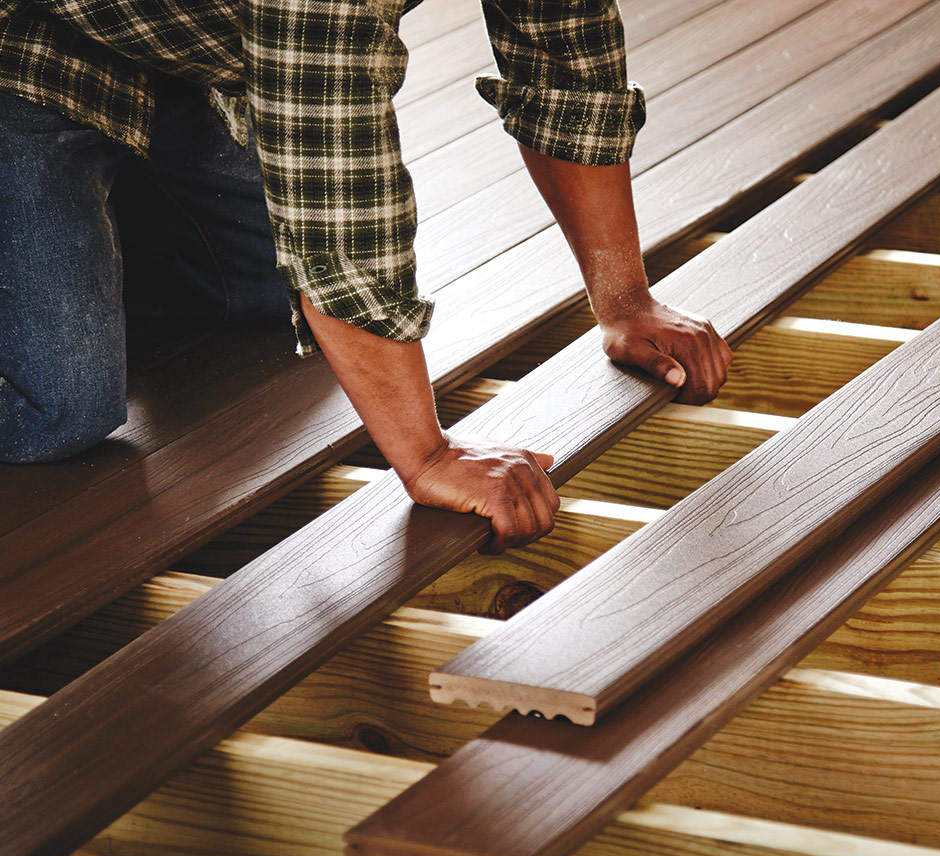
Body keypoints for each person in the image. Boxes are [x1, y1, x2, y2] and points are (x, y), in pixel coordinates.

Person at [0, 0, 732, 552]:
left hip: (167, 53)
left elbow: (567, 68)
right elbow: (337, 209)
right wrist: (427, 455)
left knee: (264, 292)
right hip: (21, 45)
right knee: (57, 409)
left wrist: (626, 301)